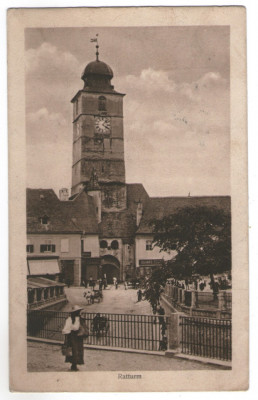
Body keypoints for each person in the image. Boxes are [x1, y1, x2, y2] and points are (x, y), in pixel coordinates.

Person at [62, 305, 85, 371]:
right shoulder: (69, 319)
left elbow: (79, 327)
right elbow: (70, 329)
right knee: (73, 350)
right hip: (72, 336)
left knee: (78, 350)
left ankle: (75, 364)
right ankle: (73, 365)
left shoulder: (79, 318)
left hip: (78, 336)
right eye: (77, 312)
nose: (79, 313)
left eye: (79, 311)